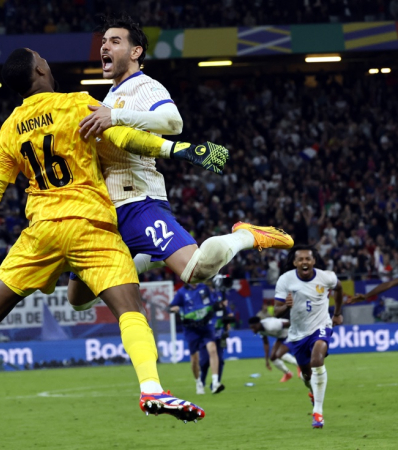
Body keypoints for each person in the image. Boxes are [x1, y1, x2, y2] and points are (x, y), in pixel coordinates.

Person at [0, 47, 214, 422]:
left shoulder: (9, 129)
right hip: (88, 223)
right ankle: (152, 390)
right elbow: (122, 137)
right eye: (43, 58)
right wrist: (180, 150)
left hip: (41, 230)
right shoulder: (75, 104)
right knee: (130, 309)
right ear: (40, 69)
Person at [68, 15, 294, 312]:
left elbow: (173, 122)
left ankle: (245, 235)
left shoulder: (144, 86)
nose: (104, 46)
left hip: (138, 201)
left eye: (115, 41)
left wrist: (117, 117)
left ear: (135, 52)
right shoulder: (110, 94)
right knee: (78, 298)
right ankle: (148, 256)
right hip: (107, 209)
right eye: (104, 41)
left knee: (196, 271)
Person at [273, 245, 343, 429]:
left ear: (313, 261)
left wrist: (337, 313)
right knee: (306, 375)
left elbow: (340, 289)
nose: (304, 262)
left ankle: (317, 413)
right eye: (300, 259)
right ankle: (313, 392)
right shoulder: (285, 280)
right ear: (295, 262)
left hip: (321, 326)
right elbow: (276, 311)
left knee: (317, 359)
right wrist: (286, 306)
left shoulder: (326, 277)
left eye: (308, 259)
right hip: (297, 334)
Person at [169, 282, 225, 394]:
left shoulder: (204, 288)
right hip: (191, 329)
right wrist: (174, 309)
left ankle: (215, 383)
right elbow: (171, 307)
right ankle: (198, 382)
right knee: (194, 359)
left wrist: (219, 304)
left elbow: (213, 302)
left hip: (206, 326)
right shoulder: (181, 292)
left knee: (213, 349)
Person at [248, 316, 299, 382]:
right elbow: (266, 343)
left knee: (278, 355)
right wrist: (266, 360)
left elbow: (288, 323)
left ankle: (299, 365)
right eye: (251, 328)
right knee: (272, 358)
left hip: (290, 334)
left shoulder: (271, 325)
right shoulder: (260, 330)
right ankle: (288, 373)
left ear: (258, 324)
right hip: (281, 337)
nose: (253, 330)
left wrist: (298, 333)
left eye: (254, 327)